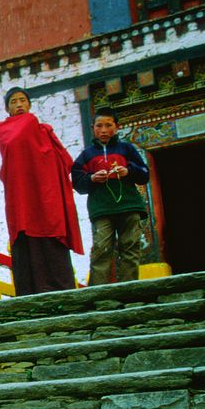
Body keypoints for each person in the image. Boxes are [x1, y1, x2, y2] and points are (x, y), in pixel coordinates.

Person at [0, 87, 84, 294]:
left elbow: (59, 161)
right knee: (27, 234)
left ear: (29, 104)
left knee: (50, 230)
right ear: (7, 109)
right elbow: (17, 143)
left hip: (46, 193)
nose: (19, 105)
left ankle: (60, 287)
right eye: (13, 102)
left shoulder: (44, 130)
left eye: (22, 100)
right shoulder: (4, 129)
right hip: (22, 194)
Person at [71, 107, 150, 285]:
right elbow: (77, 181)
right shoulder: (87, 155)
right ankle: (101, 297)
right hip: (101, 209)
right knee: (101, 249)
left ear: (117, 127)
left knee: (129, 249)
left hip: (129, 206)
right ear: (93, 128)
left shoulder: (127, 149)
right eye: (99, 125)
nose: (104, 130)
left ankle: (129, 293)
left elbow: (144, 174)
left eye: (108, 125)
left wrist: (128, 171)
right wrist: (91, 178)